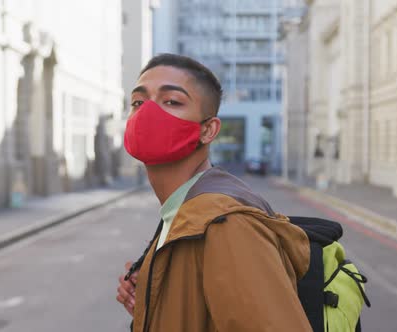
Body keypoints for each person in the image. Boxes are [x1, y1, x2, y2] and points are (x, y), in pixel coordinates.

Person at [116, 53, 312, 332]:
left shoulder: (228, 224)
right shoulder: (186, 210)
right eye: (138, 102)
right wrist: (154, 302)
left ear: (208, 130)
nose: (148, 112)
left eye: (171, 101)